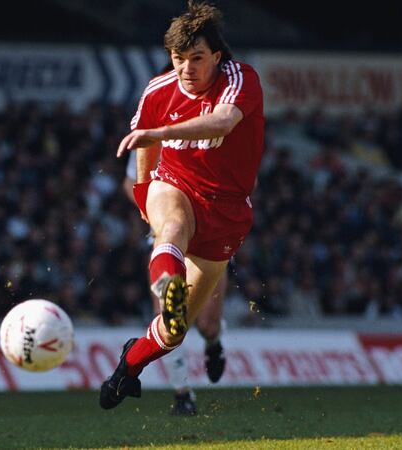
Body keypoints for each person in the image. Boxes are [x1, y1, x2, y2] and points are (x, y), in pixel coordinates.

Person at [100, 1, 264, 409]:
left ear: (217, 57)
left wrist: (161, 129)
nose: (186, 69)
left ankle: (129, 365)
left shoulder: (240, 79)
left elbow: (223, 121)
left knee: (179, 331)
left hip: (226, 213)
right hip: (175, 185)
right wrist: (143, 193)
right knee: (169, 228)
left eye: (196, 59)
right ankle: (166, 285)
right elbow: (146, 146)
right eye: (178, 59)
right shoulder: (159, 89)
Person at [123, 152, 227, 415]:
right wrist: (153, 207)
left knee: (207, 324)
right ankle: (183, 395)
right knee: (168, 317)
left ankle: (213, 342)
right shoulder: (151, 133)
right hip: (167, 237)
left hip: (208, 235)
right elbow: (130, 181)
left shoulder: (212, 127)